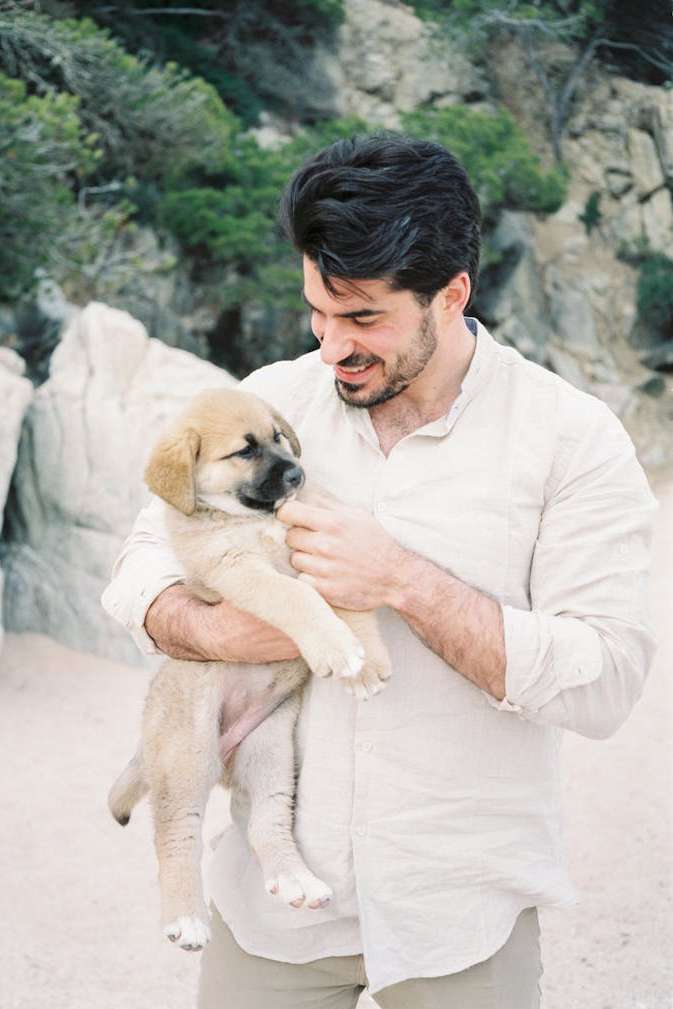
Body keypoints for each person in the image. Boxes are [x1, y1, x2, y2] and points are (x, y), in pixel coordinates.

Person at [101, 133, 657, 1008]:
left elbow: (608, 682)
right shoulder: (270, 399)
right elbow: (139, 563)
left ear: (453, 292)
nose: (330, 347)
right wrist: (211, 627)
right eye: (319, 311)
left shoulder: (572, 440)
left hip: (460, 911)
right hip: (271, 915)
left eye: (363, 319)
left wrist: (403, 580)